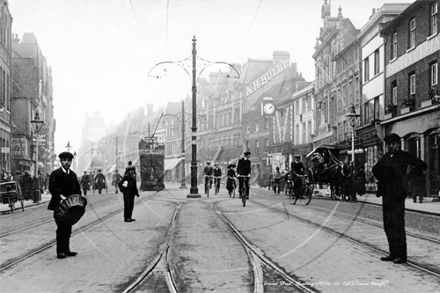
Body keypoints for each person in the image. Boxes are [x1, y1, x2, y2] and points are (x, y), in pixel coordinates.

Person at [372, 133, 427, 264]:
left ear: (397, 144)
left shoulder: (403, 156)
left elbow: (422, 165)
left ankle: (401, 255)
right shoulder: (385, 157)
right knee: (388, 224)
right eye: (388, 144)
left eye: (393, 144)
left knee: (397, 224)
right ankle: (393, 252)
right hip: (386, 194)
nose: (391, 146)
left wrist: (408, 177)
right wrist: (381, 177)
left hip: (397, 194)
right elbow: (377, 169)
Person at [48, 152, 82, 259]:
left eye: (68, 161)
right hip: (60, 205)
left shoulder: (73, 175)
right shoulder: (55, 174)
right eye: (64, 160)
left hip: (70, 205)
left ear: (71, 162)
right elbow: (52, 188)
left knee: (68, 228)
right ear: (61, 162)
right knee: (61, 227)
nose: (66, 163)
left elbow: (77, 189)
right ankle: (60, 251)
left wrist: (77, 199)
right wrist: (61, 197)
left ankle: (67, 249)